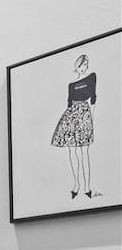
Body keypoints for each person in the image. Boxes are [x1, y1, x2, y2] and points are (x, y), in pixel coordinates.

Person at [51, 53, 96, 199]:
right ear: (77, 67)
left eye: (86, 65)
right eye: (83, 65)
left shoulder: (91, 77)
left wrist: (92, 118)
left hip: (84, 114)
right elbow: (69, 102)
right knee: (72, 151)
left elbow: (93, 98)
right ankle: (76, 185)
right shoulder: (71, 84)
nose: (85, 67)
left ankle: (87, 186)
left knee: (84, 152)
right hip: (71, 115)